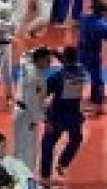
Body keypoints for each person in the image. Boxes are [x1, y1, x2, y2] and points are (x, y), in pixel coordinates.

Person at [39, 50, 91, 180]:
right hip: (74, 116)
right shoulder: (81, 71)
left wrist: (45, 114)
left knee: (48, 144)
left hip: (57, 116)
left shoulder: (57, 77)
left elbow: (42, 94)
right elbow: (69, 63)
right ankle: (63, 163)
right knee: (76, 139)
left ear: (64, 59)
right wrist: (58, 55)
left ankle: (45, 175)